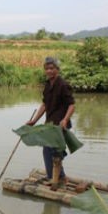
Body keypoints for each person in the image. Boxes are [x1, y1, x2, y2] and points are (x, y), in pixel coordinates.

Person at [26, 56, 75, 190]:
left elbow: (71, 105)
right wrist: (34, 120)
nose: (49, 71)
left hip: (60, 125)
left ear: (57, 70)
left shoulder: (63, 85)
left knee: (56, 153)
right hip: (50, 125)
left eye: (52, 68)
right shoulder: (48, 85)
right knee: (47, 151)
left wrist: (65, 119)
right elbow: (45, 105)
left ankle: (58, 179)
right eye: (47, 68)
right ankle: (58, 177)